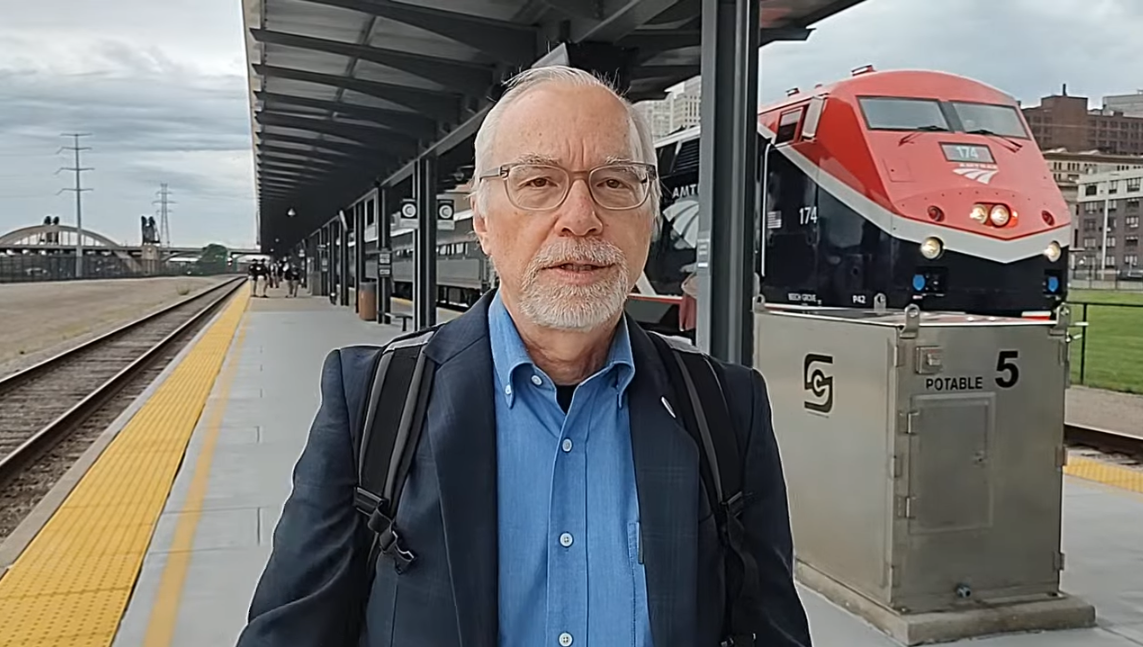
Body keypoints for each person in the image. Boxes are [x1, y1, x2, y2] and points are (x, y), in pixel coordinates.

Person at [235, 65, 810, 647]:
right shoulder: (373, 403)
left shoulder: (725, 409)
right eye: (539, 182)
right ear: (482, 222)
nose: (581, 219)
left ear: (649, 216)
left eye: (614, 182)